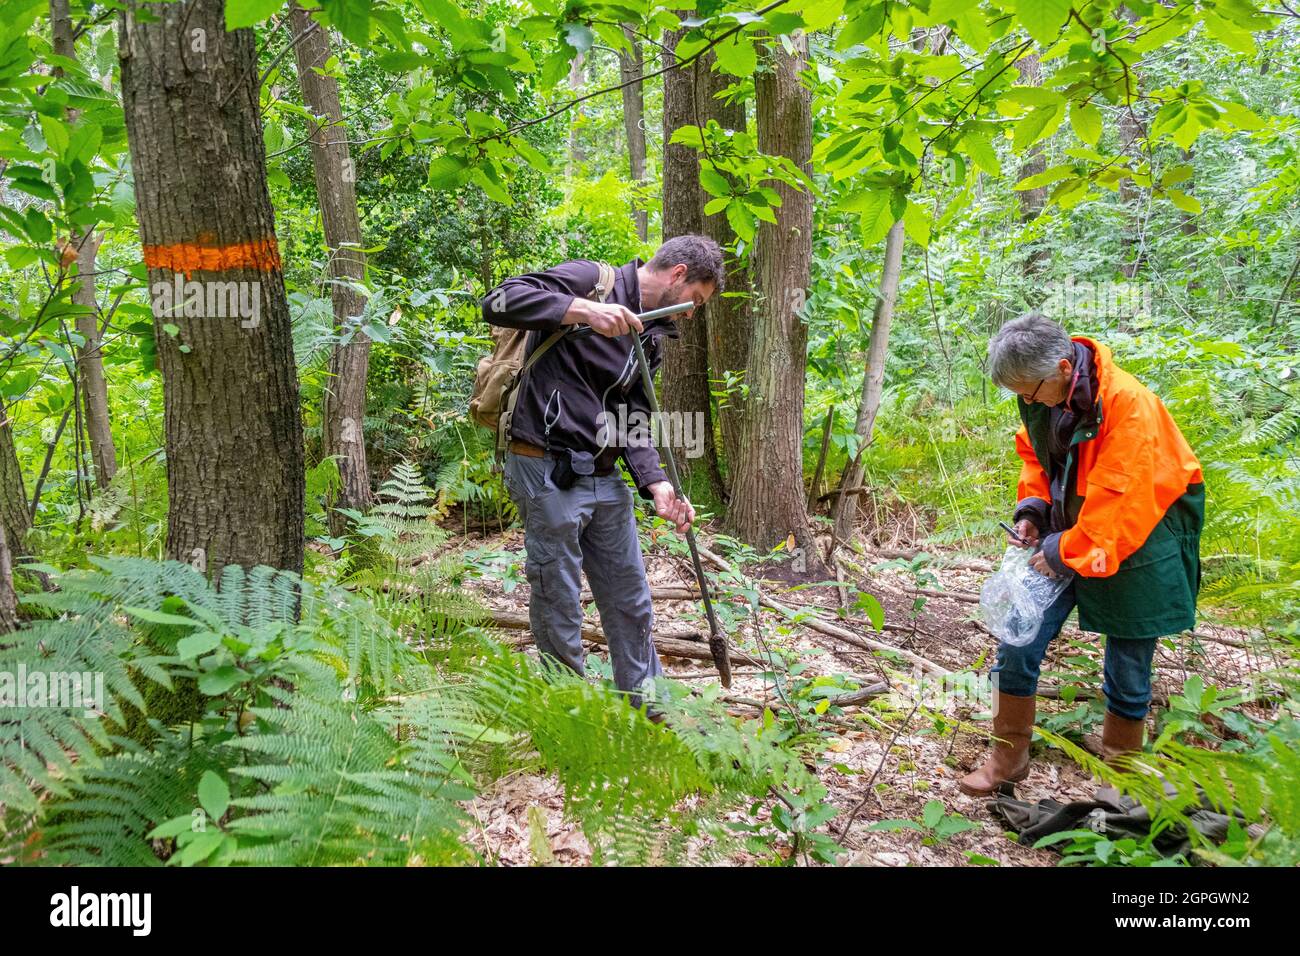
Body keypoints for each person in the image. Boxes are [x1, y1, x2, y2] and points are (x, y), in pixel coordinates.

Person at [959, 313, 1205, 796]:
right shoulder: (1040, 391)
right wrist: (1032, 510)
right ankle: (1008, 757)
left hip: (1141, 534)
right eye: (1019, 394)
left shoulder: (1128, 404)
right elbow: (1036, 457)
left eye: (1030, 391)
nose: (1026, 401)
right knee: (1018, 639)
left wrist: (1061, 550)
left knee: (1129, 659)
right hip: (1072, 527)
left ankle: (1121, 774)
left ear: (1064, 369)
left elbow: (1121, 500)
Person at [481, 235, 723, 707]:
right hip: (543, 465)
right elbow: (498, 301)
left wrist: (657, 485)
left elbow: (633, 414)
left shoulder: (651, 335)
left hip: (603, 474)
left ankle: (647, 703)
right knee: (559, 597)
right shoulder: (592, 283)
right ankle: (569, 709)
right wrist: (582, 311)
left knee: (630, 596)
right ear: (677, 276)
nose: (692, 313)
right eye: (695, 299)